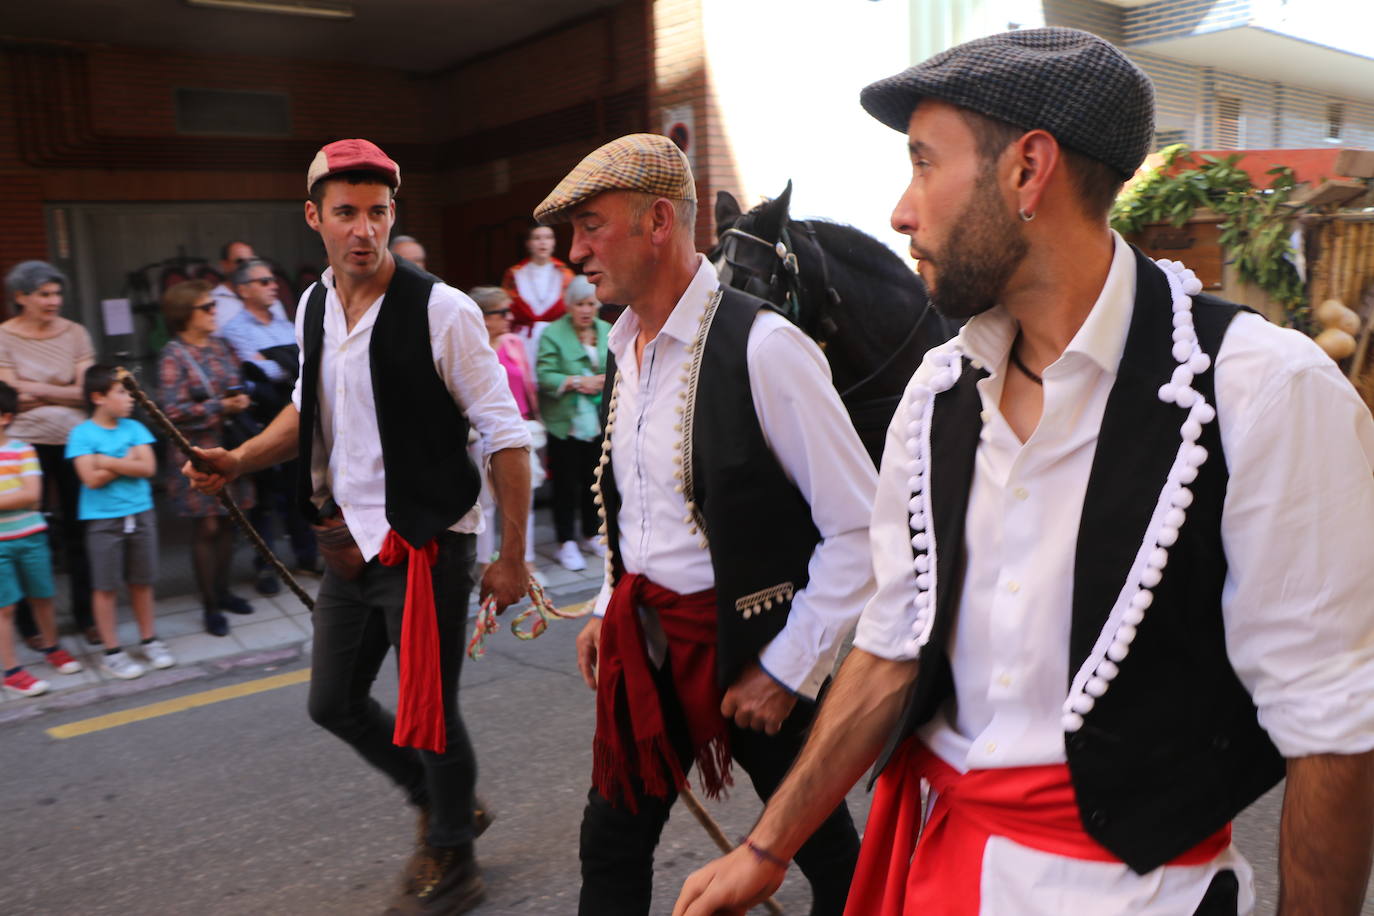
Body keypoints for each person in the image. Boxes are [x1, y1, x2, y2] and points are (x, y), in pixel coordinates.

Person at [673, 28, 1374, 916]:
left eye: (924, 163)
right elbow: (891, 652)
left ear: (1027, 170)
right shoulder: (935, 396)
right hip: (945, 880)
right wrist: (769, 847)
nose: (900, 209)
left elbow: (1334, 738)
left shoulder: (1262, 392)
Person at [182, 138, 532, 916]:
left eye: (378, 212)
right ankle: (449, 804)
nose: (364, 229)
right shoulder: (311, 304)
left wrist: (512, 558)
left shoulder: (445, 310)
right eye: (346, 213)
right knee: (332, 702)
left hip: (430, 544)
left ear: (392, 214)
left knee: (429, 713)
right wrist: (236, 459)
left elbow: (505, 435)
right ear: (315, 218)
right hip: (347, 542)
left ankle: (454, 855)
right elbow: (312, 410)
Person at [533, 132, 877, 915]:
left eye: (591, 226)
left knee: (826, 853)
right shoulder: (626, 345)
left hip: (754, 650)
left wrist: (790, 667)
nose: (576, 251)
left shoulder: (765, 347)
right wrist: (605, 602)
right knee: (611, 840)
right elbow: (637, 507)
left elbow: (861, 530)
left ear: (658, 221)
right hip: (651, 646)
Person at [0, 260, 98, 646]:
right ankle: (28, 623)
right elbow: (8, 397)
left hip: (75, 442)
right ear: (20, 297)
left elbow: (87, 391)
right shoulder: (5, 336)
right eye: (44, 294)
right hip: (22, 445)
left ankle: (88, 616)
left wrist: (35, 389)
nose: (54, 300)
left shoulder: (76, 333)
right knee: (23, 533)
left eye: (57, 293)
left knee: (80, 528)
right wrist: (62, 389)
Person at [157, 280, 257, 637]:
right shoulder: (173, 354)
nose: (215, 312)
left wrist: (240, 399)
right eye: (207, 307)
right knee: (207, 526)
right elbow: (170, 410)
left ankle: (224, 591)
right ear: (186, 313)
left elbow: (237, 383)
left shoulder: (221, 346)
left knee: (232, 520)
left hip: (229, 447)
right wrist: (220, 405)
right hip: (195, 452)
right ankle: (210, 605)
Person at [66, 366, 172, 680]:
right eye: (122, 392)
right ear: (98, 397)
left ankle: (149, 640)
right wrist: (128, 462)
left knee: (142, 581)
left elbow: (149, 468)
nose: (130, 399)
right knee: (105, 586)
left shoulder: (135, 428)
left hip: (141, 512)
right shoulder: (81, 434)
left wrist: (106, 460)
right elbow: (90, 479)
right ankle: (112, 651)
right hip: (102, 519)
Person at [219, 258, 318, 593]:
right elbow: (263, 372)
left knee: (298, 491)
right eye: (263, 282)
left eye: (272, 279)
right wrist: (284, 360)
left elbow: (305, 364)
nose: (273, 285)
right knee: (264, 499)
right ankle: (266, 567)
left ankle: (307, 558)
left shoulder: (283, 321)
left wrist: (279, 359)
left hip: (294, 411)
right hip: (261, 419)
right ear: (243, 290)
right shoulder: (234, 329)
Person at [0, 380, 83, 698]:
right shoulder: (23, 454)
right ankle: (11, 670)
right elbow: (24, 495)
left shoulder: (22, 449)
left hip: (32, 536)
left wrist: (21, 497)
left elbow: (33, 496)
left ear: (5, 417)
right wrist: (17, 496)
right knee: (5, 608)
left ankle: (53, 648)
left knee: (43, 597)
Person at [535, 274, 610, 572]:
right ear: (569, 306)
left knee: (595, 481)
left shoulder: (606, 330)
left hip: (597, 421)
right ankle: (565, 541)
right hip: (564, 423)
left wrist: (602, 380)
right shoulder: (554, 334)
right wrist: (578, 381)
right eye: (580, 304)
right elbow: (544, 376)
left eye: (591, 303)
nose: (586, 310)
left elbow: (619, 366)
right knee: (565, 485)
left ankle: (592, 534)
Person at [468, 286, 541, 578]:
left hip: (519, 428)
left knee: (525, 498)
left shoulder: (514, 343)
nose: (510, 317)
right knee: (485, 502)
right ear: (484, 317)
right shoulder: (470, 348)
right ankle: (486, 562)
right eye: (502, 312)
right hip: (482, 434)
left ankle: (527, 560)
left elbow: (528, 385)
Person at [501, 224, 574, 365]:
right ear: (528, 243)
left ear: (554, 242)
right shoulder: (514, 274)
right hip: (523, 339)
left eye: (548, 237)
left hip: (557, 337)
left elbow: (572, 309)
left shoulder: (565, 274)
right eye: (537, 238)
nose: (543, 242)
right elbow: (506, 309)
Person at [209, 241, 287, 326]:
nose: (247, 266)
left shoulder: (271, 299)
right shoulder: (212, 301)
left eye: (251, 261)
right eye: (240, 261)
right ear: (225, 265)